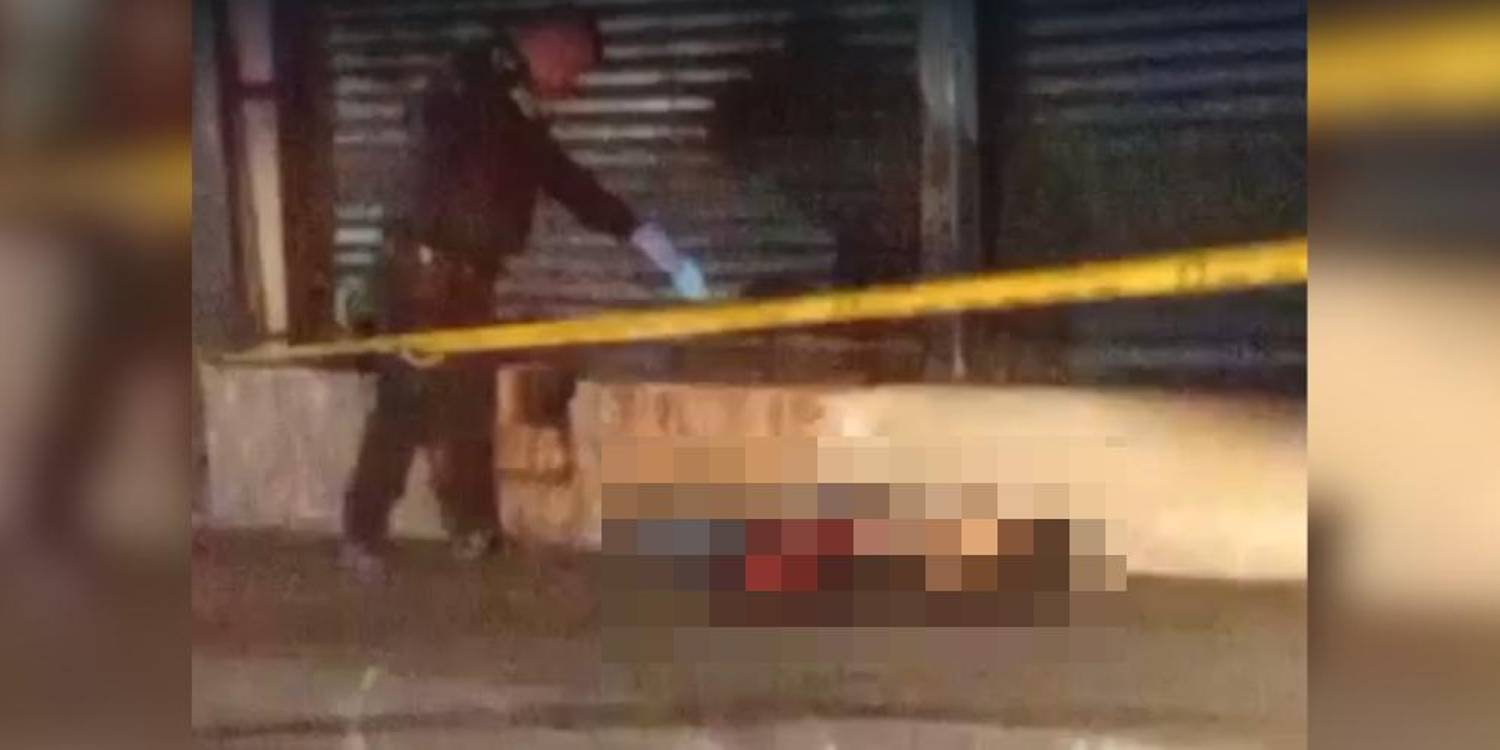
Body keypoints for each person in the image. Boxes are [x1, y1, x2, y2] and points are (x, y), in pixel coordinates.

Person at [340, 10, 708, 579]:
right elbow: (428, 139)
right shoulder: (469, 79)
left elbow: (562, 177)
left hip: (468, 282)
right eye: (574, 72)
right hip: (421, 275)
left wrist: (639, 232)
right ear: (555, 44)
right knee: (403, 404)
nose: (571, 88)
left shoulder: (516, 108)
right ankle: (362, 534)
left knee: (469, 407)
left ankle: (473, 529)